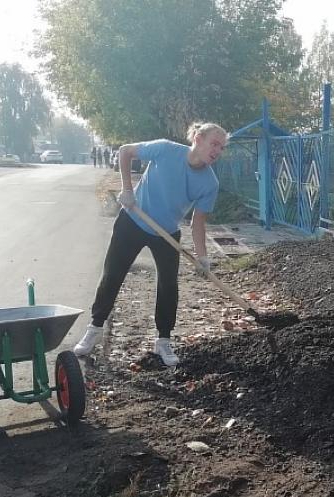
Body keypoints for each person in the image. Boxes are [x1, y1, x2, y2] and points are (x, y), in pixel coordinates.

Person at [74, 122, 228, 366]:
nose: (218, 151)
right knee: (113, 275)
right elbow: (125, 151)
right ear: (198, 138)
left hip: (166, 232)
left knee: (168, 286)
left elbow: (198, 223)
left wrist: (202, 257)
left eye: (221, 147)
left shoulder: (210, 183)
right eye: (214, 144)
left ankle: (163, 341)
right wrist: (127, 189)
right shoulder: (166, 150)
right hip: (133, 220)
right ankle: (95, 328)